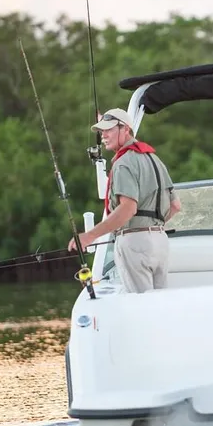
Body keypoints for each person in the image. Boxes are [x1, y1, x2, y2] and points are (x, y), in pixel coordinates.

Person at [68, 108, 181, 292]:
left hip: (134, 242)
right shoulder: (155, 159)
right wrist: (150, 227)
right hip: (160, 241)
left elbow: (128, 209)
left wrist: (90, 236)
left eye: (109, 130)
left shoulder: (123, 163)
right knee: (159, 306)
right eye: (101, 131)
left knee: (141, 307)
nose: (103, 135)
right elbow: (176, 206)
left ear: (125, 129)